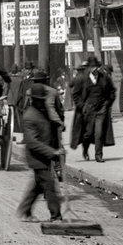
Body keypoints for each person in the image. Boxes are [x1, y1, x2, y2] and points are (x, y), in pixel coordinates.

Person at [15, 69, 65, 223]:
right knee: (49, 186)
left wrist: (58, 146)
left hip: (44, 154)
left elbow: (50, 131)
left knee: (38, 186)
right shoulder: (30, 116)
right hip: (36, 156)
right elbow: (32, 143)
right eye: (40, 99)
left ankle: (24, 211)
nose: (42, 101)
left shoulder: (42, 112)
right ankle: (56, 216)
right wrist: (53, 152)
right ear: (35, 99)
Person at [81, 57, 117, 162]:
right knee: (87, 133)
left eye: (95, 67)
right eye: (91, 67)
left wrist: (107, 104)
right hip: (89, 109)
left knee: (99, 131)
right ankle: (85, 150)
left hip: (101, 109)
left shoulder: (105, 78)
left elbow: (112, 92)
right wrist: (82, 106)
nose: (94, 69)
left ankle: (98, 155)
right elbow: (78, 94)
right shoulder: (84, 79)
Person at [68, 57, 96, 160]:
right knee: (84, 132)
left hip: (93, 109)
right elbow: (75, 93)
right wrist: (82, 106)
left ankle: (91, 150)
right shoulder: (79, 79)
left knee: (92, 132)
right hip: (82, 111)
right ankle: (85, 151)